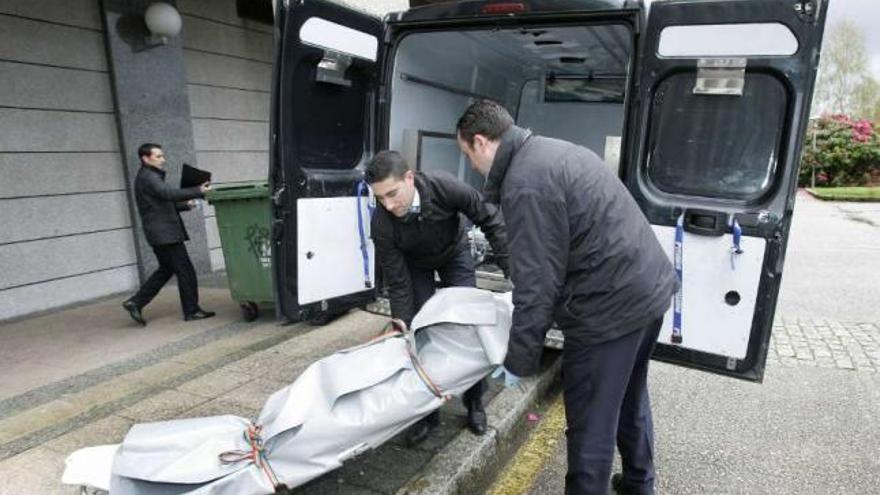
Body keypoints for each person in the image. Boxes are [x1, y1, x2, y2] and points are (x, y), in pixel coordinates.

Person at [456, 100, 677, 495]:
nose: (472, 166)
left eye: (468, 155)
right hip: (648, 293)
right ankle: (640, 485)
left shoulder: (525, 182)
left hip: (608, 312)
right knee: (629, 397)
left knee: (591, 424)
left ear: (481, 142)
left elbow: (536, 286)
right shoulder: (555, 150)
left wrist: (518, 360)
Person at [366, 150, 510, 445]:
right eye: (380, 198)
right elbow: (397, 281)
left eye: (392, 194)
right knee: (422, 333)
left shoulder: (444, 186)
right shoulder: (382, 223)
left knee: (469, 325)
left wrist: (514, 268)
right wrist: (403, 325)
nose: (389, 205)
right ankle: (427, 415)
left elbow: (488, 217)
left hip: (452, 252)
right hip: (415, 265)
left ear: (409, 178)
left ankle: (475, 402)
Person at [122, 143, 216, 326]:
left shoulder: (150, 177)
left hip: (160, 233)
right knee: (186, 271)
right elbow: (167, 194)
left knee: (166, 270)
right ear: (145, 158)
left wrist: (185, 205)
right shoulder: (148, 177)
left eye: (162, 156)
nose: (163, 160)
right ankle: (192, 311)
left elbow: (159, 203)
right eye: (158, 156)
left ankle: (136, 301)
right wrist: (198, 190)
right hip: (165, 234)